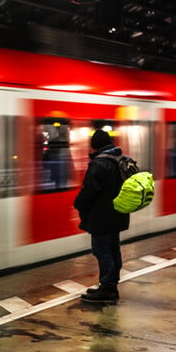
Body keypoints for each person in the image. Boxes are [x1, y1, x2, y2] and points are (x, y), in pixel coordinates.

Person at [74, 129, 129, 304]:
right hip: (118, 214)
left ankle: (107, 288)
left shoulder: (98, 164)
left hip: (101, 217)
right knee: (113, 249)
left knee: (102, 251)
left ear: (94, 145)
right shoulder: (121, 160)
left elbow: (89, 190)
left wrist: (78, 204)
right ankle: (111, 285)